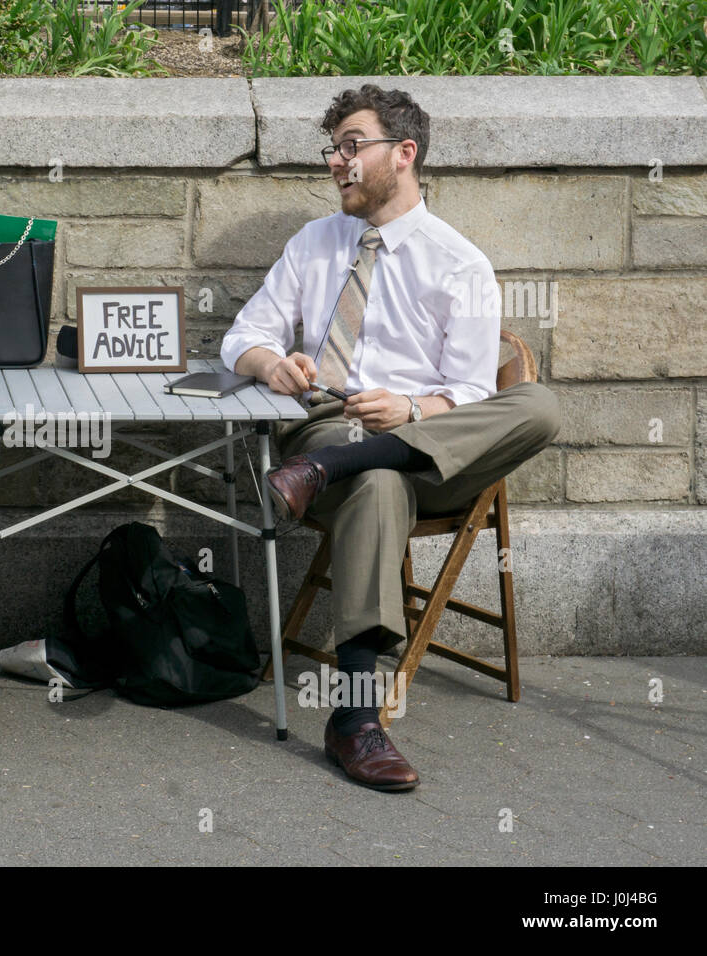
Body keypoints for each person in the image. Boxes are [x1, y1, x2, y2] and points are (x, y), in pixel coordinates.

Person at [221, 85, 560, 792]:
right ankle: (355, 717)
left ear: (403, 154)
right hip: (331, 425)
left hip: (439, 451)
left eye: (352, 146)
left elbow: (470, 394)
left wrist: (409, 408)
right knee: (375, 483)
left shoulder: (458, 263)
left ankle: (330, 467)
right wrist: (273, 364)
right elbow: (242, 338)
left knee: (538, 407)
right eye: (333, 150)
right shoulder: (316, 243)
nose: (338, 163)